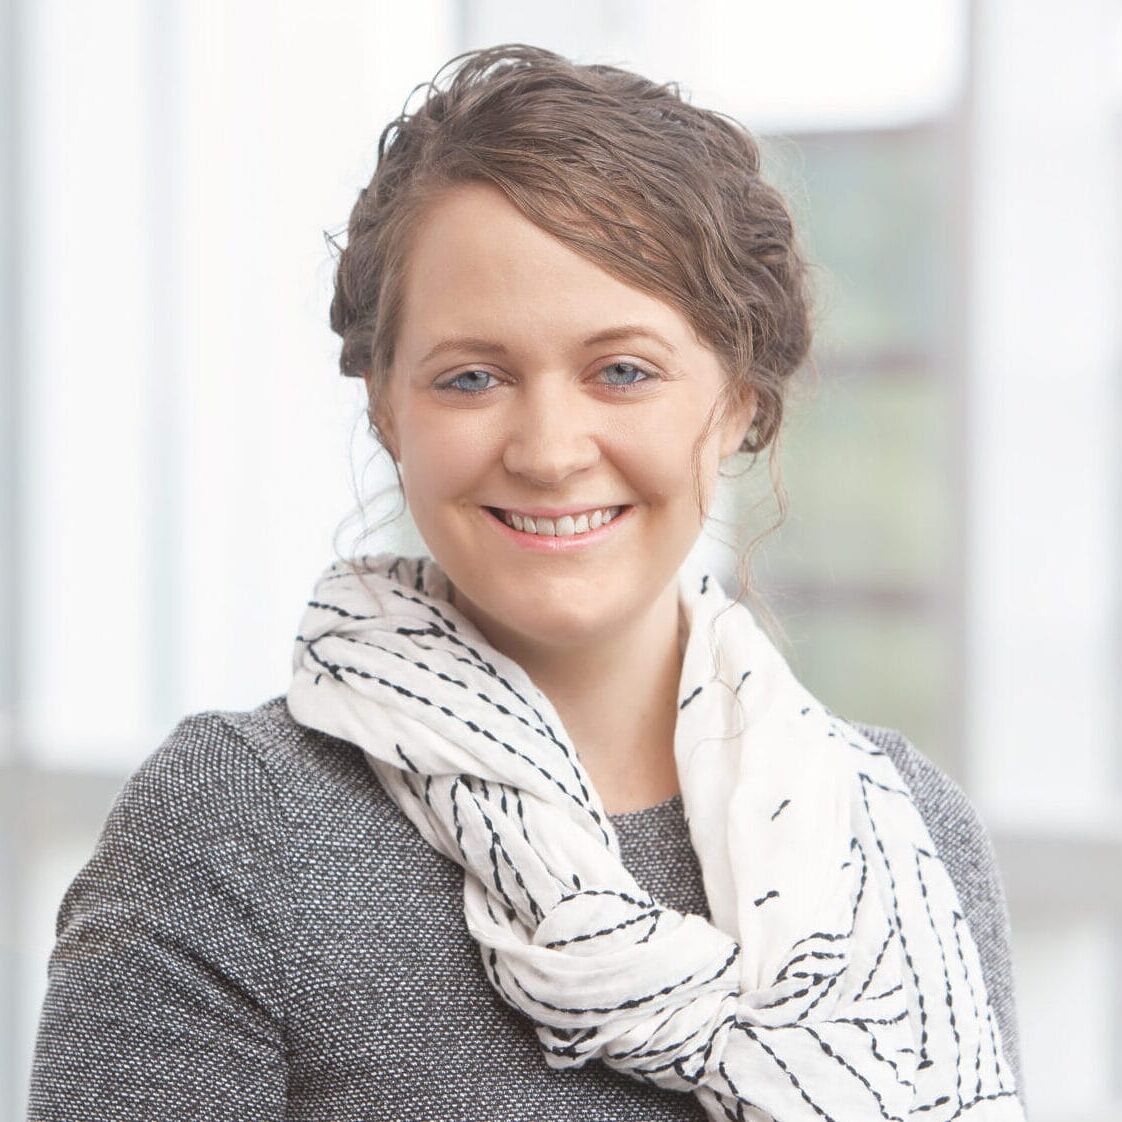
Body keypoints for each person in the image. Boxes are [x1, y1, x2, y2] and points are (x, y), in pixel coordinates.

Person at [27, 44, 1026, 1122]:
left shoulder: (900, 833)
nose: (550, 450)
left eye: (624, 371)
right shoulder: (234, 831)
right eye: (473, 377)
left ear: (738, 398)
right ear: (386, 409)